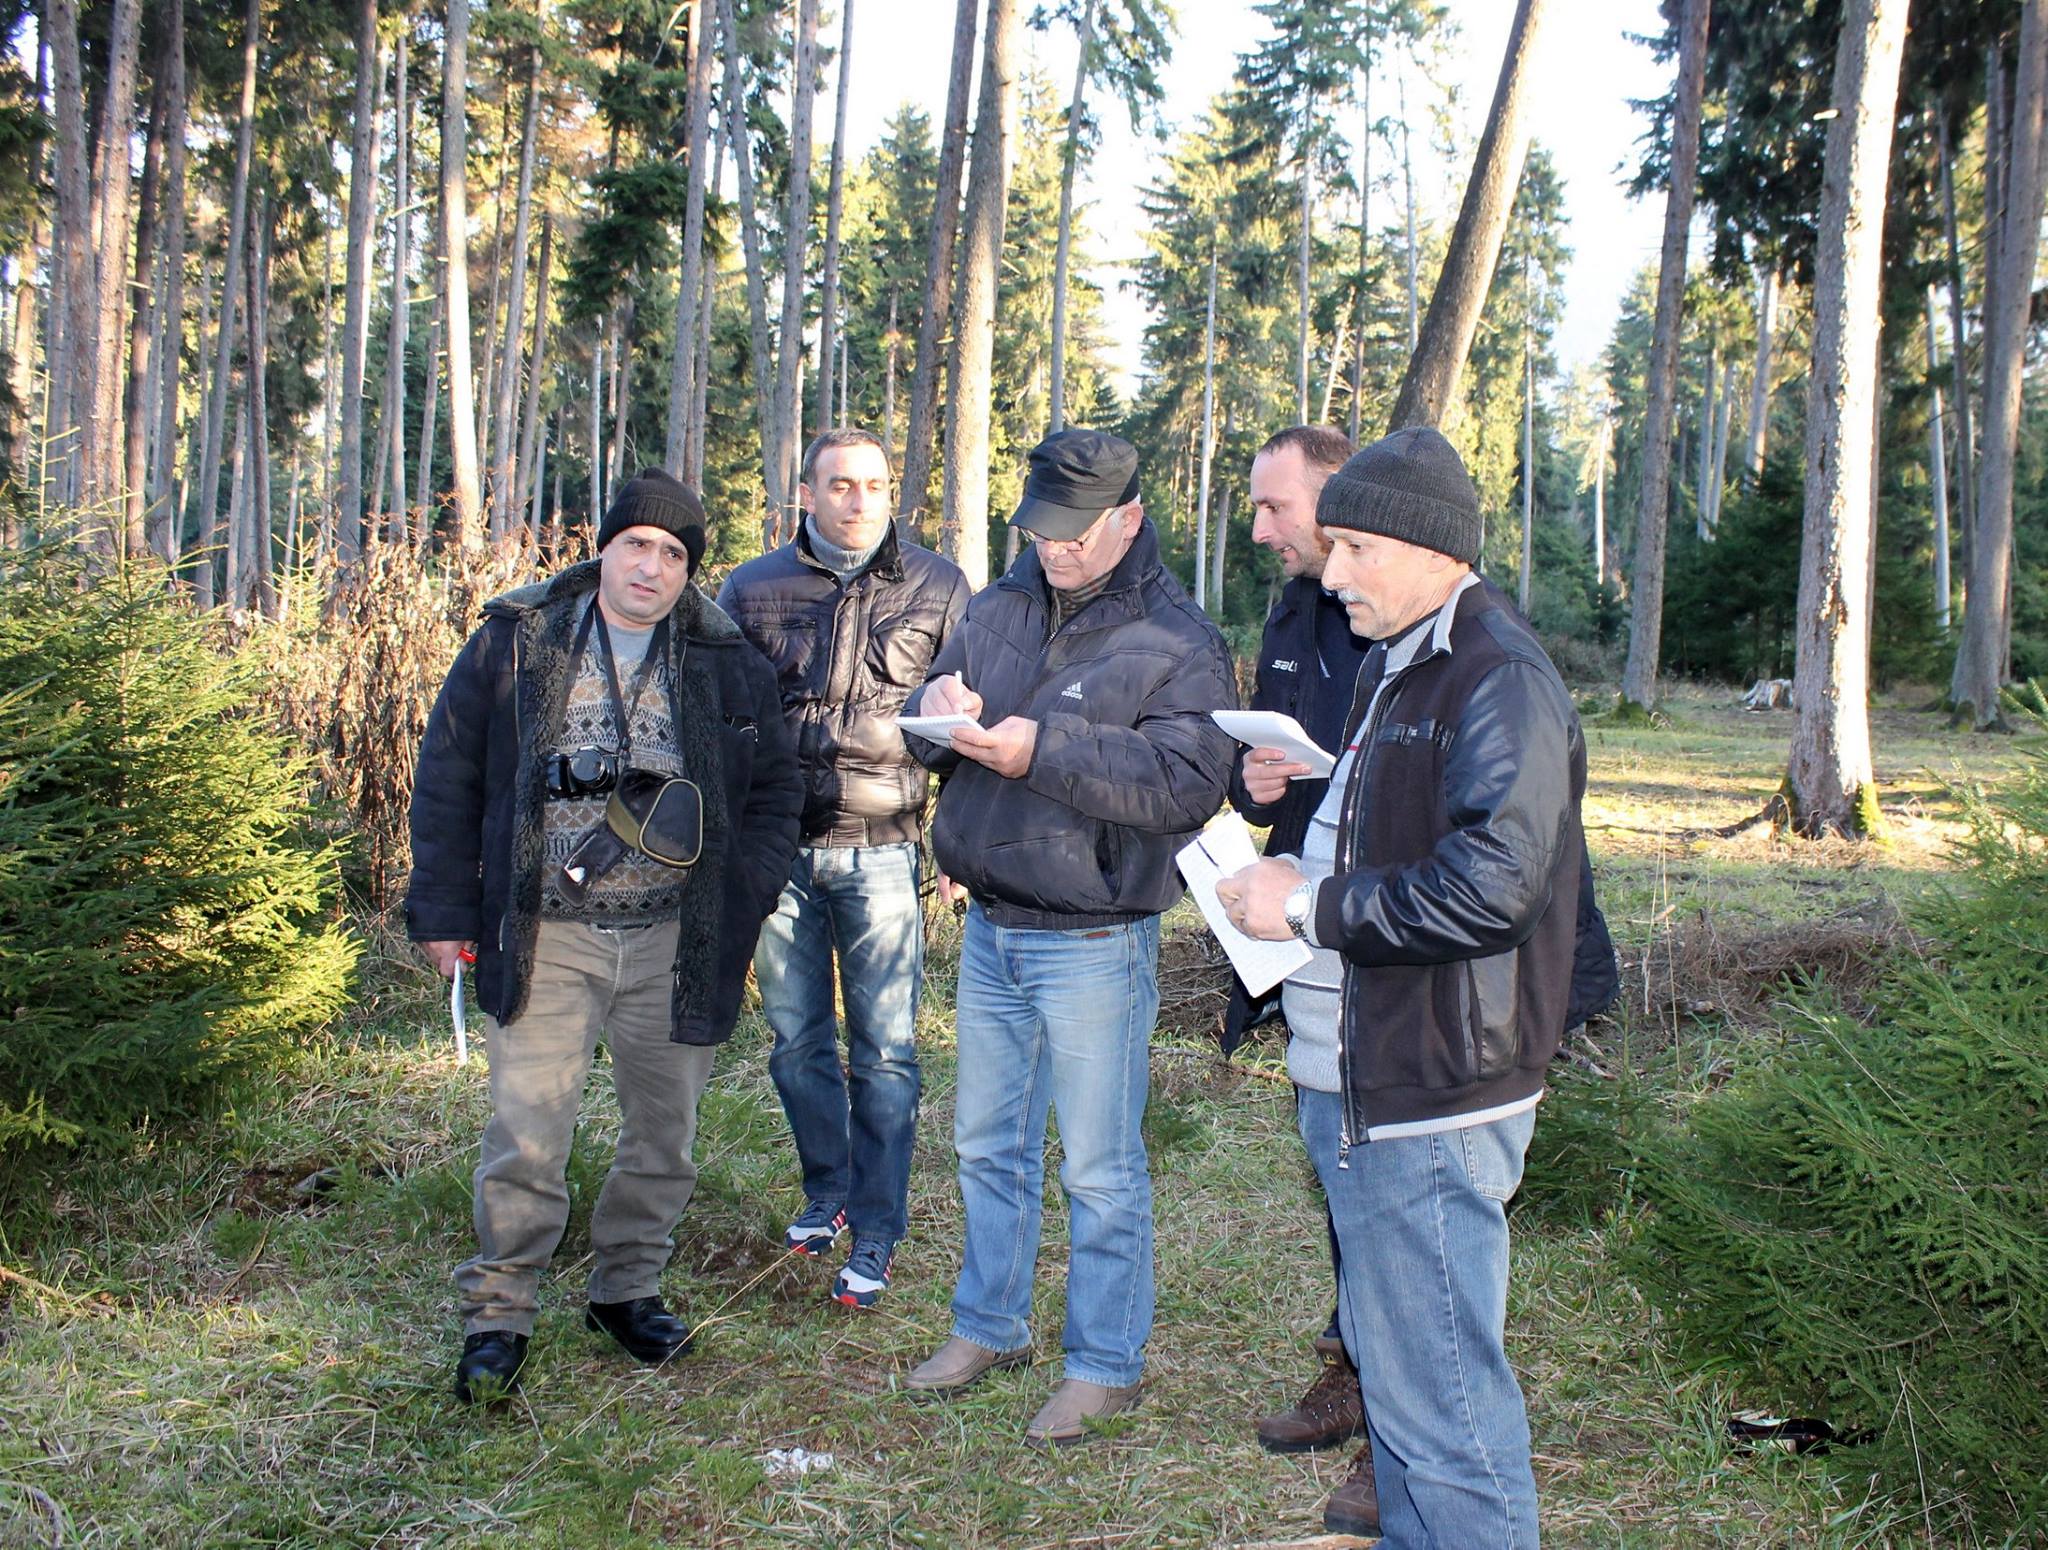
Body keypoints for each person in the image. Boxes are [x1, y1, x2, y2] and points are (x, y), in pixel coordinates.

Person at [1228, 428, 1619, 1539]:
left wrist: (1305, 908)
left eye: (1357, 548)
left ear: (1434, 547)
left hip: (1430, 1091)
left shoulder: (1495, 676)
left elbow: (1492, 886)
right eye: (1334, 544)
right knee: (1402, 1400)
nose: (1332, 573)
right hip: (1370, 1076)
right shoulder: (1400, 658)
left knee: (1445, 1416)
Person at [407, 468, 803, 1405]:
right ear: (605, 547)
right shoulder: (518, 639)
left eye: (672, 554)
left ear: (688, 571)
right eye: (636, 545)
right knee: (527, 1137)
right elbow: (449, 773)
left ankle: (626, 1290)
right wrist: (445, 912)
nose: (650, 567)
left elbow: (778, 789)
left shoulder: (727, 658)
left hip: (676, 941)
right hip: (545, 934)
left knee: (664, 1135)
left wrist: (743, 895)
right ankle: (499, 1314)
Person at [897, 428, 1238, 1445]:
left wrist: (1040, 748)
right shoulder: (996, 607)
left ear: (1129, 519)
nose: (1054, 549)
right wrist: (931, 705)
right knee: (984, 1145)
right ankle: (988, 1324)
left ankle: (1103, 1363)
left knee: (1097, 1165)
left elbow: (1185, 781)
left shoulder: (1179, 639)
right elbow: (930, 722)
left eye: (1075, 533)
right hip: (992, 924)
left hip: (1095, 939)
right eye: (1040, 530)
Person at [717, 428, 970, 1309]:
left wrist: (955, 843)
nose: (858, 501)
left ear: (891, 491)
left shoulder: (939, 587)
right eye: (839, 485)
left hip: (885, 848)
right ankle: (827, 1191)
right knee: (795, 1043)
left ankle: (879, 1225)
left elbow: (966, 720)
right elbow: (721, 717)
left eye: (873, 484)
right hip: (778, 852)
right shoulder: (751, 589)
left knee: (887, 1052)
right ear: (806, 493)